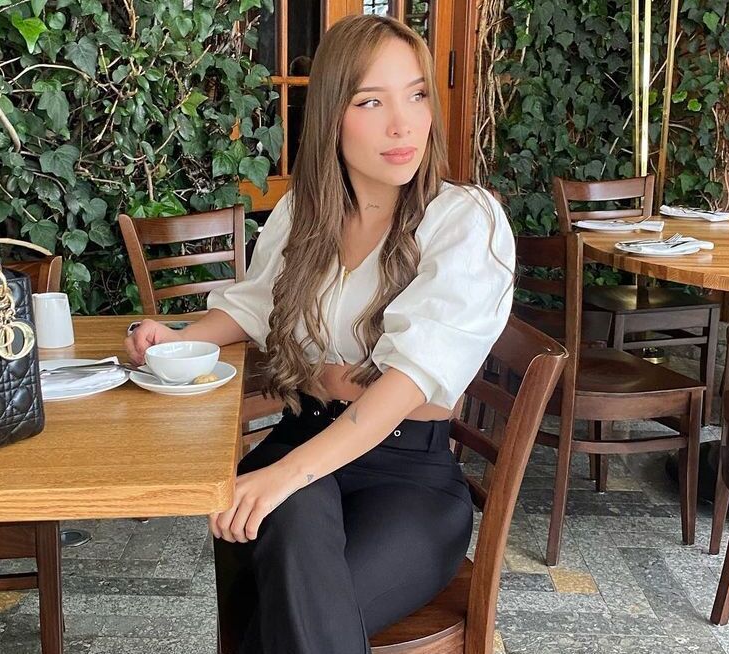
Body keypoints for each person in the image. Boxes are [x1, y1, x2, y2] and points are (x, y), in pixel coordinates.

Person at [125, 14, 514, 654]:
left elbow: (410, 384)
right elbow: (254, 307)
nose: (403, 124)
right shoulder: (303, 212)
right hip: (299, 439)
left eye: (417, 94)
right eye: (371, 101)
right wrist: (177, 336)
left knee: (282, 615)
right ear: (332, 114)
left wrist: (290, 471)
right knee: (289, 522)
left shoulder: (463, 220)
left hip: (406, 479)